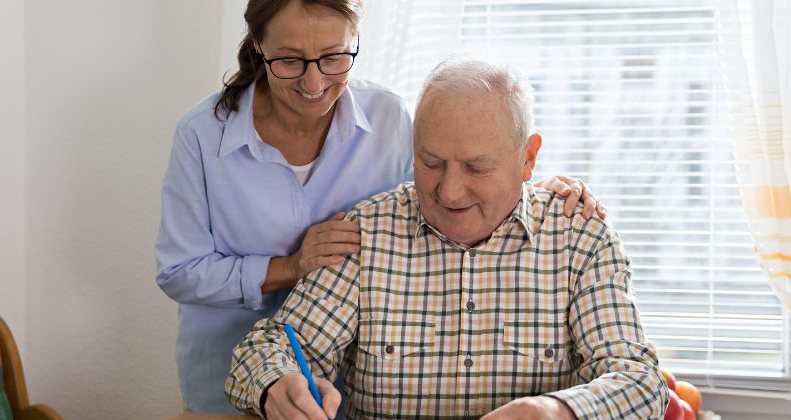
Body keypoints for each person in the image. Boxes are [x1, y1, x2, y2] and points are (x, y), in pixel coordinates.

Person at [156, 0, 605, 414]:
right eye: (290, 61)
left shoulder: (388, 116)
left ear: (355, 42)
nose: (314, 83)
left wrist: (519, 186)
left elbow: (441, 196)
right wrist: (293, 265)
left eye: (334, 57)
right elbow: (180, 271)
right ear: (259, 45)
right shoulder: (202, 135)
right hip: (228, 377)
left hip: (348, 389)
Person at [225, 58, 666, 420]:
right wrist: (275, 386)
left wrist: (555, 412)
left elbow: (640, 383)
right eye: (431, 162)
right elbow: (267, 349)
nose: (449, 191)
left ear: (528, 157)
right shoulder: (369, 234)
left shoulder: (580, 238)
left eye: (477, 167)